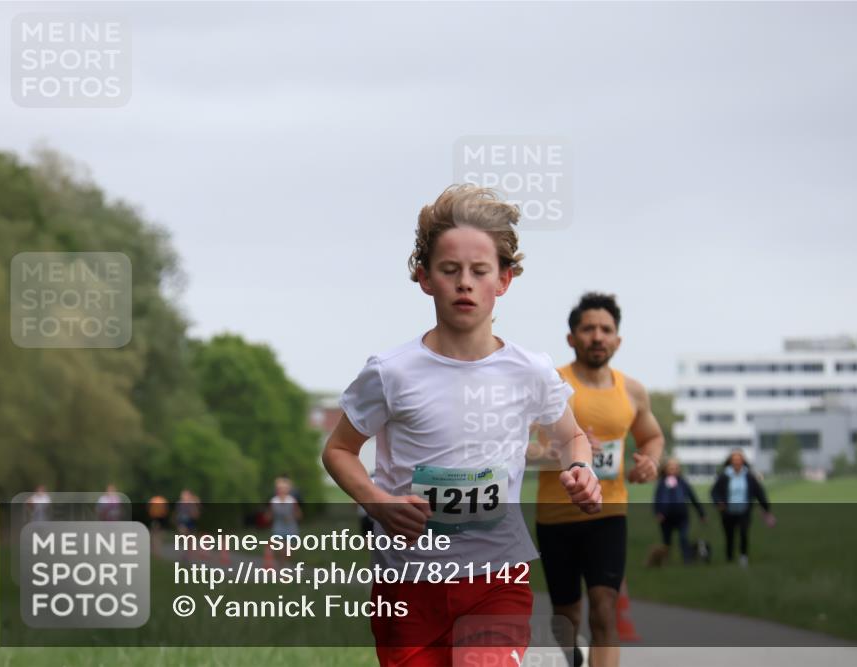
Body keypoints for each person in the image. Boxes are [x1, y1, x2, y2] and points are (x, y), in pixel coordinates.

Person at [322, 185, 602, 667]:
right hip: (407, 585)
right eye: (449, 271)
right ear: (424, 277)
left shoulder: (530, 371)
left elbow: (571, 436)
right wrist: (380, 504)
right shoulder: (392, 372)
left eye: (479, 271)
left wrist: (580, 467)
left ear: (504, 280)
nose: (465, 284)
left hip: (496, 580)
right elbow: (339, 450)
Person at [533, 292, 664, 667]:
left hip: (608, 515)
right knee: (567, 617)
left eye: (606, 329)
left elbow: (652, 437)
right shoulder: (553, 384)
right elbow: (518, 445)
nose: (597, 336)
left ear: (617, 340)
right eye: (588, 328)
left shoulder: (632, 391)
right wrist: (566, 451)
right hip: (556, 517)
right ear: (571, 338)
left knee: (605, 608)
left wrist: (650, 462)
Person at [710, 450, 775, 567]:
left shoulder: (749, 476)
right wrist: (718, 502)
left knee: (744, 533)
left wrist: (766, 507)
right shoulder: (724, 476)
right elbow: (714, 492)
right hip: (727, 512)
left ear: (743, 462)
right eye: (734, 460)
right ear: (730, 462)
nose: (736, 462)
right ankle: (729, 558)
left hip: (744, 511)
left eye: (739, 460)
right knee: (729, 536)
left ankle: (743, 557)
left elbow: (759, 492)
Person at [653, 458, 705, 563]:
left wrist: (701, 513)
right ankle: (664, 560)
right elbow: (657, 499)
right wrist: (658, 512)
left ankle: (687, 559)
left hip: (682, 516)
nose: (673, 470)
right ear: (665, 469)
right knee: (666, 541)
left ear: (678, 469)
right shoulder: (661, 484)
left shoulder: (683, 483)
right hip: (666, 517)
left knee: (683, 538)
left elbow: (693, 497)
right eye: (670, 467)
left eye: (675, 468)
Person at [268, 476, 302, 568]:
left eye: (284, 488)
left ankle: (284, 562)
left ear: (288, 489)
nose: (282, 490)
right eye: (280, 488)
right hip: (278, 527)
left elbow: (299, 514)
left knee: (289, 550)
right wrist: (267, 517)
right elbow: (270, 514)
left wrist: (292, 517)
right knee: (282, 549)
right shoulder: (274, 501)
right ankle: (282, 566)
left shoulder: (292, 500)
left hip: (291, 527)